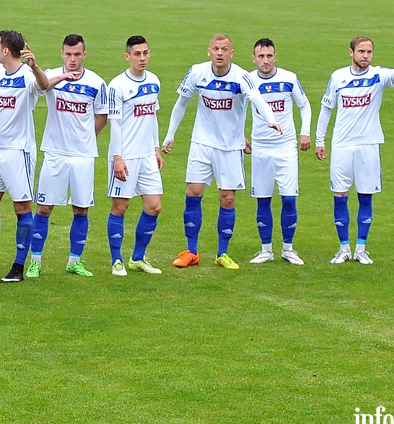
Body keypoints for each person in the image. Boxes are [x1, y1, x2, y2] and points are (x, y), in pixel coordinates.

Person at [162, 33, 282, 271]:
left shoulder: (241, 77)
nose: (219, 53)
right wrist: (170, 134)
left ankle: (222, 253)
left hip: (230, 147)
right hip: (202, 144)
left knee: (227, 198)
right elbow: (181, 103)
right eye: (215, 48)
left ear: (231, 53)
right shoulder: (197, 72)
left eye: (224, 49)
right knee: (193, 193)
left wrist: (271, 119)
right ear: (209, 51)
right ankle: (191, 251)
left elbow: (256, 98)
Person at [315, 36, 394, 264]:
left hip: (369, 145)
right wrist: (320, 140)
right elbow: (326, 108)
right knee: (340, 196)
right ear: (351, 53)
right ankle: (344, 248)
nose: (365, 56)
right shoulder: (338, 77)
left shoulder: (377, 75)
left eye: (369, 52)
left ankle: (361, 249)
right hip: (342, 145)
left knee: (365, 197)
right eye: (361, 51)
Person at [27, 34, 109, 278]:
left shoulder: (96, 82)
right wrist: (36, 67)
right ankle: (36, 262)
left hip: (83, 156)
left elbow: (102, 117)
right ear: (62, 53)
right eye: (68, 54)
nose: (72, 59)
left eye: (77, 54)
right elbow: (41, 86)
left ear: (84, 54)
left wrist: (84, 138)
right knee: (44, 208)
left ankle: (74, 261)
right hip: (54, 153)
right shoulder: (51, 76)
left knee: (81, 209)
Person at [0, 31, 48, 283]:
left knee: (21, 208)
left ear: (6, 51)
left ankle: (18, 267)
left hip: (18, 152)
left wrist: (35, 67)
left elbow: (44, 86)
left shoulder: (27, 76)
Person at [246, 38, 312, 265]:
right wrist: (239, 137)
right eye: (261, 56)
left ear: (275, 57)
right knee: (262, 199)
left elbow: (304, 105)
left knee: (289, 198)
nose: (265, 61)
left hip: (286, 147)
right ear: (254, 58)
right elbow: (236, 110)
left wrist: (305, 132)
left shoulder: (289, 78)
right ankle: (266, 250)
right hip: (260, 147)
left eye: (269, 56)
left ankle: (288, 248)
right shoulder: (248, 80)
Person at [106, 35, 163, 277]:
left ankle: (137, 258)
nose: (142, 58)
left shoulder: (154, 81)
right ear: (127, 56)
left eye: (146, 53)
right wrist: (117, 157)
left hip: (147, 156)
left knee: (154, 206)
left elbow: (153, 117)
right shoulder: (117, 85)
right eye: (137, 54)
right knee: (121, 207)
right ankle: (116, 260)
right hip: (125, 156)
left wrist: (156, 148)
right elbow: (115, 124)